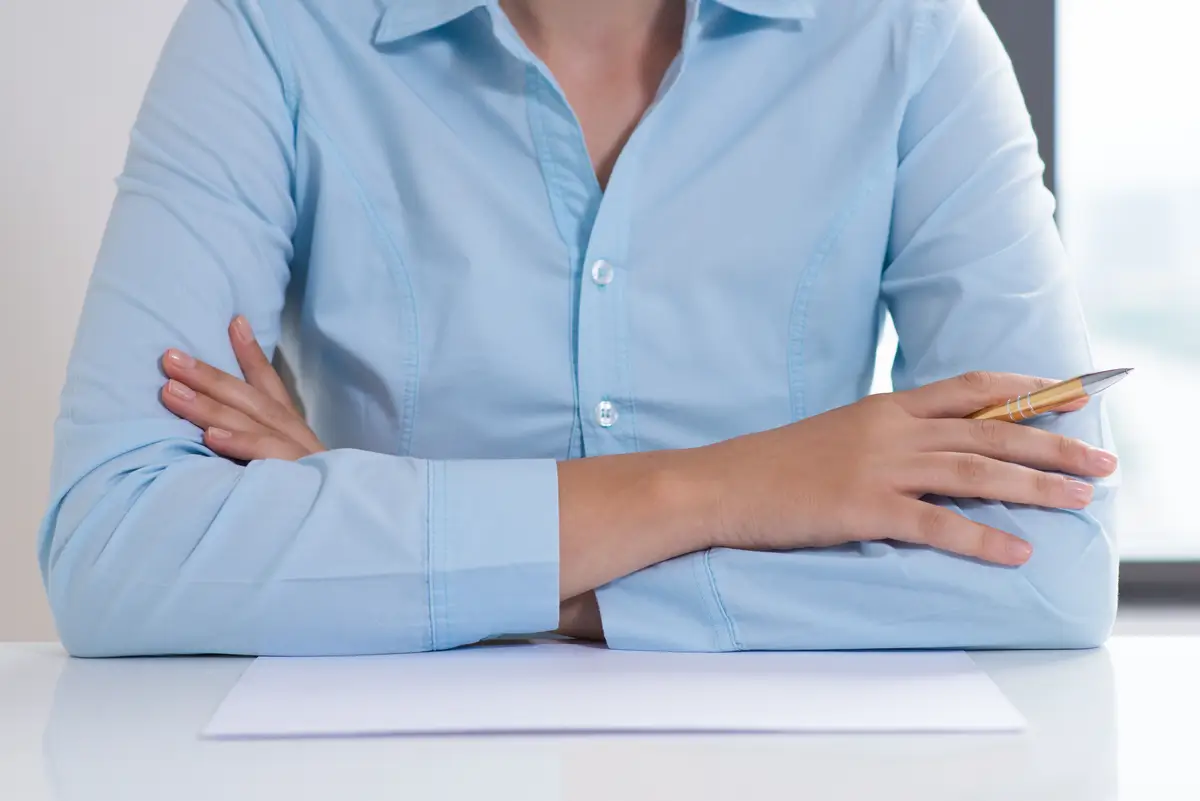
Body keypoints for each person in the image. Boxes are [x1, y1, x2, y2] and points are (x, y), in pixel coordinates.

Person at [39, 0, 1119, 658]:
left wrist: (416, 551)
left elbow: (1050, 568)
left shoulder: (912, 36)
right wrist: (737, 488)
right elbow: (118, 549)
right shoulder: (267, 31)